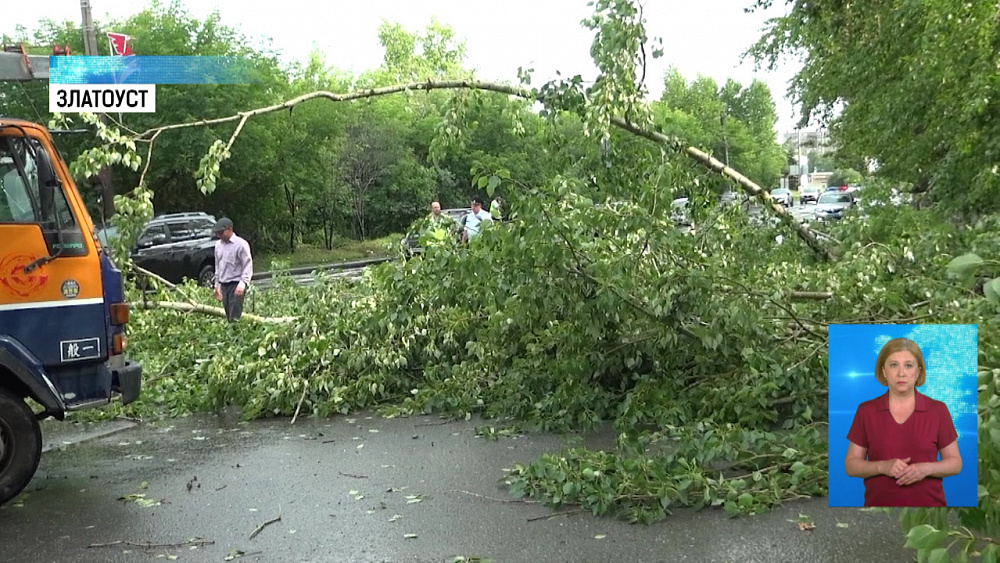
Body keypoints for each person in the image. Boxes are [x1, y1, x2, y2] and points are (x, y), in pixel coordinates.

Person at [844, 338, 962, 507]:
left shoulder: (938, 410)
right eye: (894, 365)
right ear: (884, 371)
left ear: (918, 372)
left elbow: (955, 463)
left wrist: (926, 469)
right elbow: (851, 465)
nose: (901, 373)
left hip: (929, 511)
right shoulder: (866, 411)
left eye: (908, 365)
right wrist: (882, 467)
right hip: (877, 510)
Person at [211, 217, 253, 323]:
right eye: (217, 233)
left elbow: (247, 265)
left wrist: (243, 284)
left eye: (221, 232)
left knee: (234, 317)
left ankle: (235, 333)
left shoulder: (241, 244)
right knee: (228, 313)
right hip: (224, 284)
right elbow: (218, 266)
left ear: (230, 230)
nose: (219, 235)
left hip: (236, 284)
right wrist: (217, 285)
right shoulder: (218, 245)